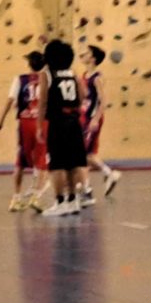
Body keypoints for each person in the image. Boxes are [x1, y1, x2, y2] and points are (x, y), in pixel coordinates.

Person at [37, 40, 89, 216]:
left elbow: (43, 102)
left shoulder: (47, 74)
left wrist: (39, 126)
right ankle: (73, 200)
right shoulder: (72, 73)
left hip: (58, 122)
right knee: (73, 163)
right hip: (74, 121)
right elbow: (83, 94)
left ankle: (60, 202)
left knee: (57, 165)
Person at [0, 51, 50, 212]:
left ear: (29, 64)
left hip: (25, 122)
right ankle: (36, 197)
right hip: (42, 122)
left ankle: (16, 198)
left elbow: (10, 101)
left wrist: (0, 121)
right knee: (42, 160)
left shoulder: (20, 79)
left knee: (20, 160)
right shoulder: (47, 79)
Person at [80, 45, 121, 204]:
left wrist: (95, 119)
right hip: (84, 117)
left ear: (93, 58)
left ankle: (87, 191)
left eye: (87, 53)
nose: (83, 54)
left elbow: (103, 101)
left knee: (81, 156)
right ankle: (109, 174)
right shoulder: (84, 75)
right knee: (88, 154)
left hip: (92, 118)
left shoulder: (97, 78)